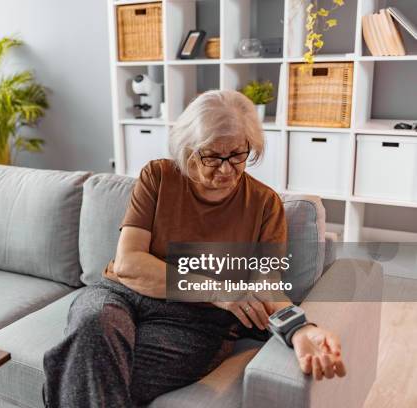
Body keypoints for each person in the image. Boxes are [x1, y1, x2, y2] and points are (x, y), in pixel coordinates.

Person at [43, 90, 346, 408]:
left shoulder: (264, 204)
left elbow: (265, 285)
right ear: (187, 149)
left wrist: (300, 329)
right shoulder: (158, 177)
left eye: (238, 155)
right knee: (93, 325)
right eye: (212, 157)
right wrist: (218, 290)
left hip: (193, 323)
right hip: (120, 294)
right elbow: (128, 263)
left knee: (85, 370)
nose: (227, 169)